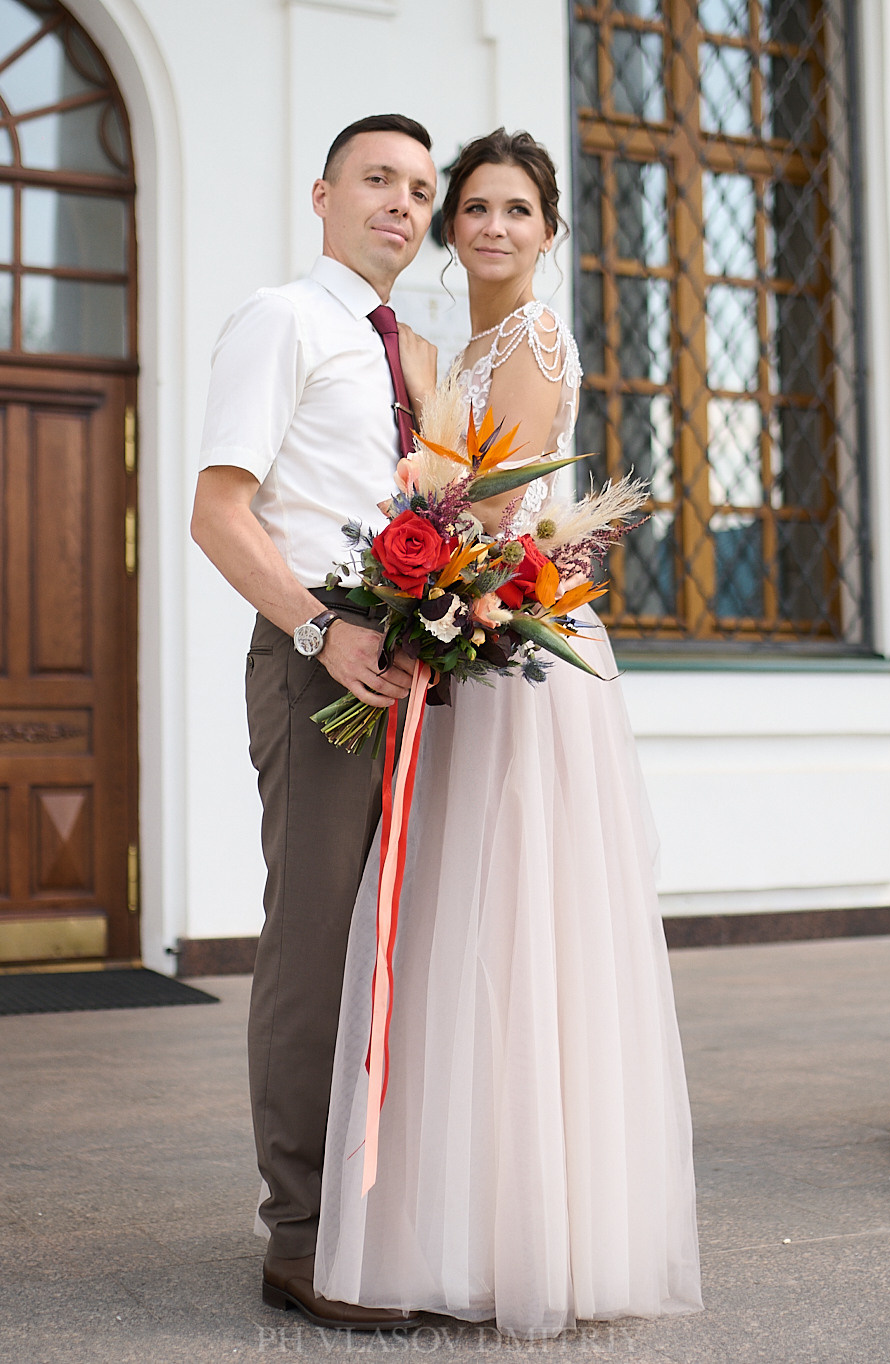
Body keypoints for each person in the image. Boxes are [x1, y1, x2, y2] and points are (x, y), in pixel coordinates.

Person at [314, 129, 704, 1339]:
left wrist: (402, 541)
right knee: (455, 921)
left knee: (521, 922)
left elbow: (484, 503)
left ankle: (536, 1229)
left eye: (514, 209)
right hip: (473, 632)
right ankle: (465, 1215)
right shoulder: (458, 345)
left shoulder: (530, 338)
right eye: (471, 207)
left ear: (547, 232)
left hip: (519, 649)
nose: (489, 225)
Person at [189, 113, 443, 1332]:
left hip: (417, 667)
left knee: (404, 942)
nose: (401, 202)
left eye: (417, 187)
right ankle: (298, 1236)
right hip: (315, 663)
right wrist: (317, 632)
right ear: (323, 194)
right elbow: (219, 512)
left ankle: (382, 1209)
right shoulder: (282, 319)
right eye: (376, 181)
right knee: (313, 943)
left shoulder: (408, 350)